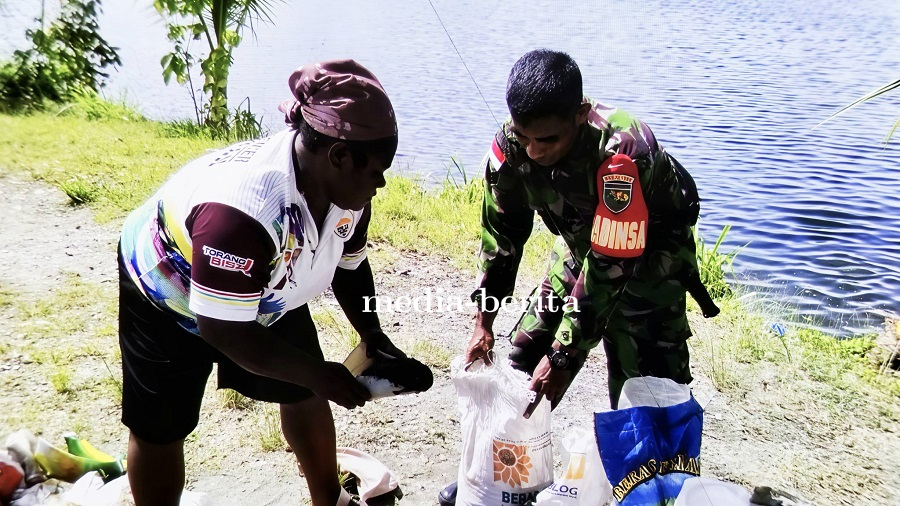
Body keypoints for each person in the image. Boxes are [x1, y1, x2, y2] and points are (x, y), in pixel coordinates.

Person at [118, 59, 408, 506]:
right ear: (339, 156)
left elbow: (351, 267)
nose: (382, 183)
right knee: (161, 424)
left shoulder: (347, 192)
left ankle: (329, 500)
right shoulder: (241, 212)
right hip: (168, 284)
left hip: (268, 280)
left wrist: (372, 334)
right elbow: (223, 329)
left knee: (304, 390)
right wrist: (318, 374)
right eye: (377, 171)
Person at [439, 49, 717, 505]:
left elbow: (610, 266)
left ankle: (655, 493)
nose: (533, 150)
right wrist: (483, 321)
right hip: (579, 245)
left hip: (650, 264)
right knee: (522, 361)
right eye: (524, 136)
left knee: (645, 392)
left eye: (547, 139)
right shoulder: (512, 144)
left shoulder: (624, 152)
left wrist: (565, 356)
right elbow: (501, 237)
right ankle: (501, 482)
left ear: (580, 113)